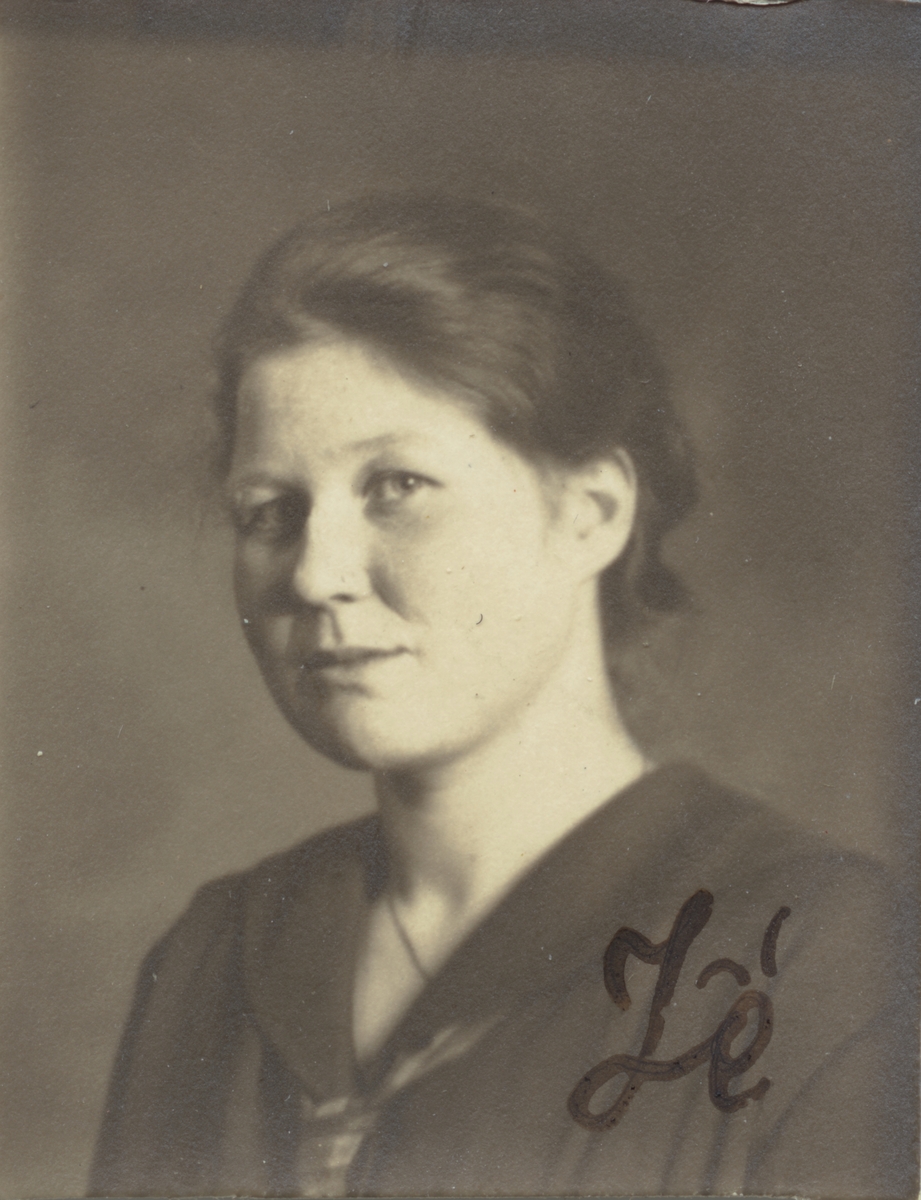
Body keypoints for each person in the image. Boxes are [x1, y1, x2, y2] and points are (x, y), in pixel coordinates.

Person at [89, 194, 914, 1199]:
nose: (314, 573)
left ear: (591, 514)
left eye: (396, 486)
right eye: (270, 512)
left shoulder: (822, 954)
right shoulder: (214, 959)